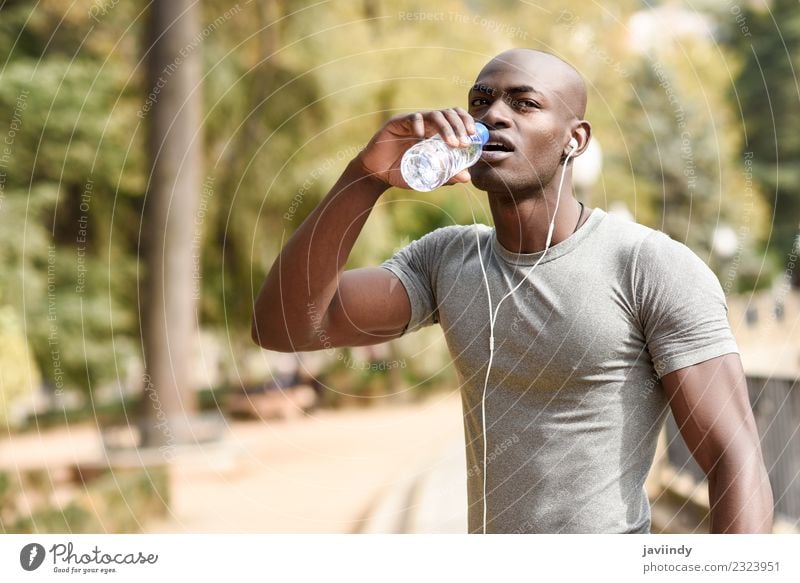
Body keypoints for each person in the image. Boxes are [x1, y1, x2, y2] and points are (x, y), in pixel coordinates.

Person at [251, 48, 773, 534]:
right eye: (481, 100)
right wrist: (364, 177)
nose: (493, 115)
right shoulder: (444, 260)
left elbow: (735, 457)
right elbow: (283, 325)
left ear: (576, 139)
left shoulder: (648, 266)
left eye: (524, 103)